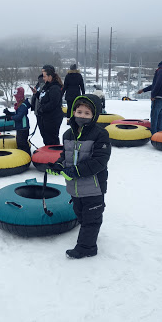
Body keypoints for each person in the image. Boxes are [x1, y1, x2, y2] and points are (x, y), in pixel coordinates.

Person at [47, 94, 111, 259]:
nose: (82, 116)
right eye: (79, 112)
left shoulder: (100, 135)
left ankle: (87, 247)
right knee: (80, 214)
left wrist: (76, 170)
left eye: (87, 113)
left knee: (91, 217)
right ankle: (89, 235)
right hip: (74, 187)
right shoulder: (68, 134)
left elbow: (100, 161)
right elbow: (65, 155)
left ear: (94, 115)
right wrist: (59, 165)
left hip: (93, 186)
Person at [137, 61, 162, 135]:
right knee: (160, 115)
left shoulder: (160, 71)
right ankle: (159, 132)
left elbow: (158, 83)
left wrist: (153, 95)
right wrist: (143, 90)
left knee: (154, 115)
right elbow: (155, 85)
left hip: (158, 97)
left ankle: (153, 133)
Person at [33, 65, 63, 145]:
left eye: (44, 76)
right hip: (46, 117)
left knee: (52, 139)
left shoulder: (55, 88)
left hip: (53, 118)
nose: (43, 78)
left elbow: (53, 103)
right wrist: (36, 94)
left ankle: (53, 156)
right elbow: (44, 98)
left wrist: (42, 109)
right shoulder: (47, 86)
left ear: (50, 76)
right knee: (46, 138)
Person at [4, 87, 31, 155]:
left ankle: (26, 156)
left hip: (23, 128)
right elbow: (17, 113)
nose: (15, 98)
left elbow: (19, 116)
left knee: (22, 143)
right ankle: (22, 155)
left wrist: (10, 117)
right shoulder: (20, 105)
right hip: (20, 127)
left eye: (16, 97)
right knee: (19, 142)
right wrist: (9, 113)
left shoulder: (23, 105)